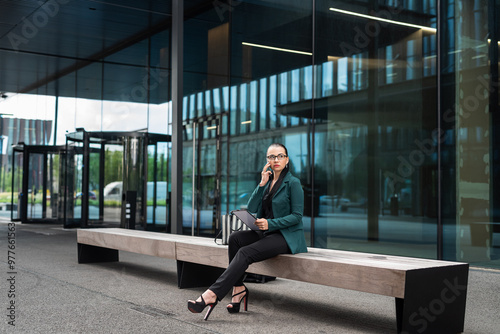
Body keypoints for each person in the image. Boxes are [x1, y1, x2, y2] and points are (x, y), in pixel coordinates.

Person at [187, 143, 308, 320]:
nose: (275, 160)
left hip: (285, 236)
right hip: (266, 232)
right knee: (235, 238)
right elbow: (251, 207)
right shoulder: (267, 182)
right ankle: (238, 289)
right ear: (267, 160)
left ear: (287, 159)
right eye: (271, 157)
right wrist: (261, 184)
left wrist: (270, 224)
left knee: (245, 252)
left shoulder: (293, 183)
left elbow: (297, 216)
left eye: (280, 156)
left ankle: (212, 294)